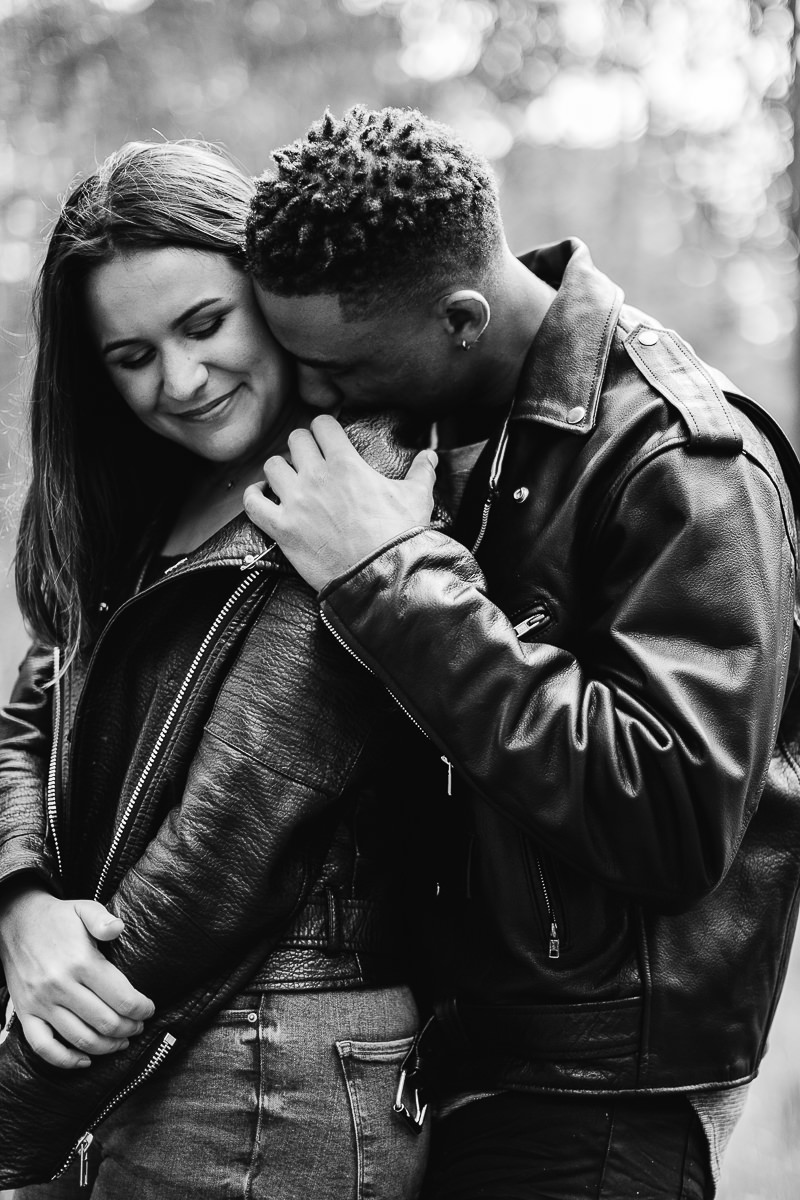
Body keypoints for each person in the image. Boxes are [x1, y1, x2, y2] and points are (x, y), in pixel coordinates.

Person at [242, 104, 800, 1200]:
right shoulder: (449, 428)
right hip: (454, 1059)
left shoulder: (681, 462)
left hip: (597, 1097)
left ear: (458, 317)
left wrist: (390, 576)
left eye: (336, 367)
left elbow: (668, 814)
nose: (310, 394)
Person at [0, 139, 441, 1198]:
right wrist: (19, 904)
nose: (181, 381)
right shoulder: (140, 503)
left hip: (268, 1061)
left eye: (204, 325)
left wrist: (18, 1100)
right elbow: (29, 716)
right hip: (124, 1043)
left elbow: (235, 827)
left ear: (270, 292)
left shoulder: (352, 475)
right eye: (131, 356)